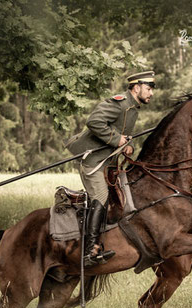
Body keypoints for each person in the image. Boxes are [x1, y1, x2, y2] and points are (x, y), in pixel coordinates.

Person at [66, 71, 155, 264]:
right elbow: (94, 122)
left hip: (108, 165)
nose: (151, 93)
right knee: (100, 197)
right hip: (94, 163)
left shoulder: (132, 107)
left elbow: (119, 134)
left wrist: (125, 145)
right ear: (136, 87)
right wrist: (117, 140)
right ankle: (89, 252)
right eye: (148, 88)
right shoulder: (120, 103)